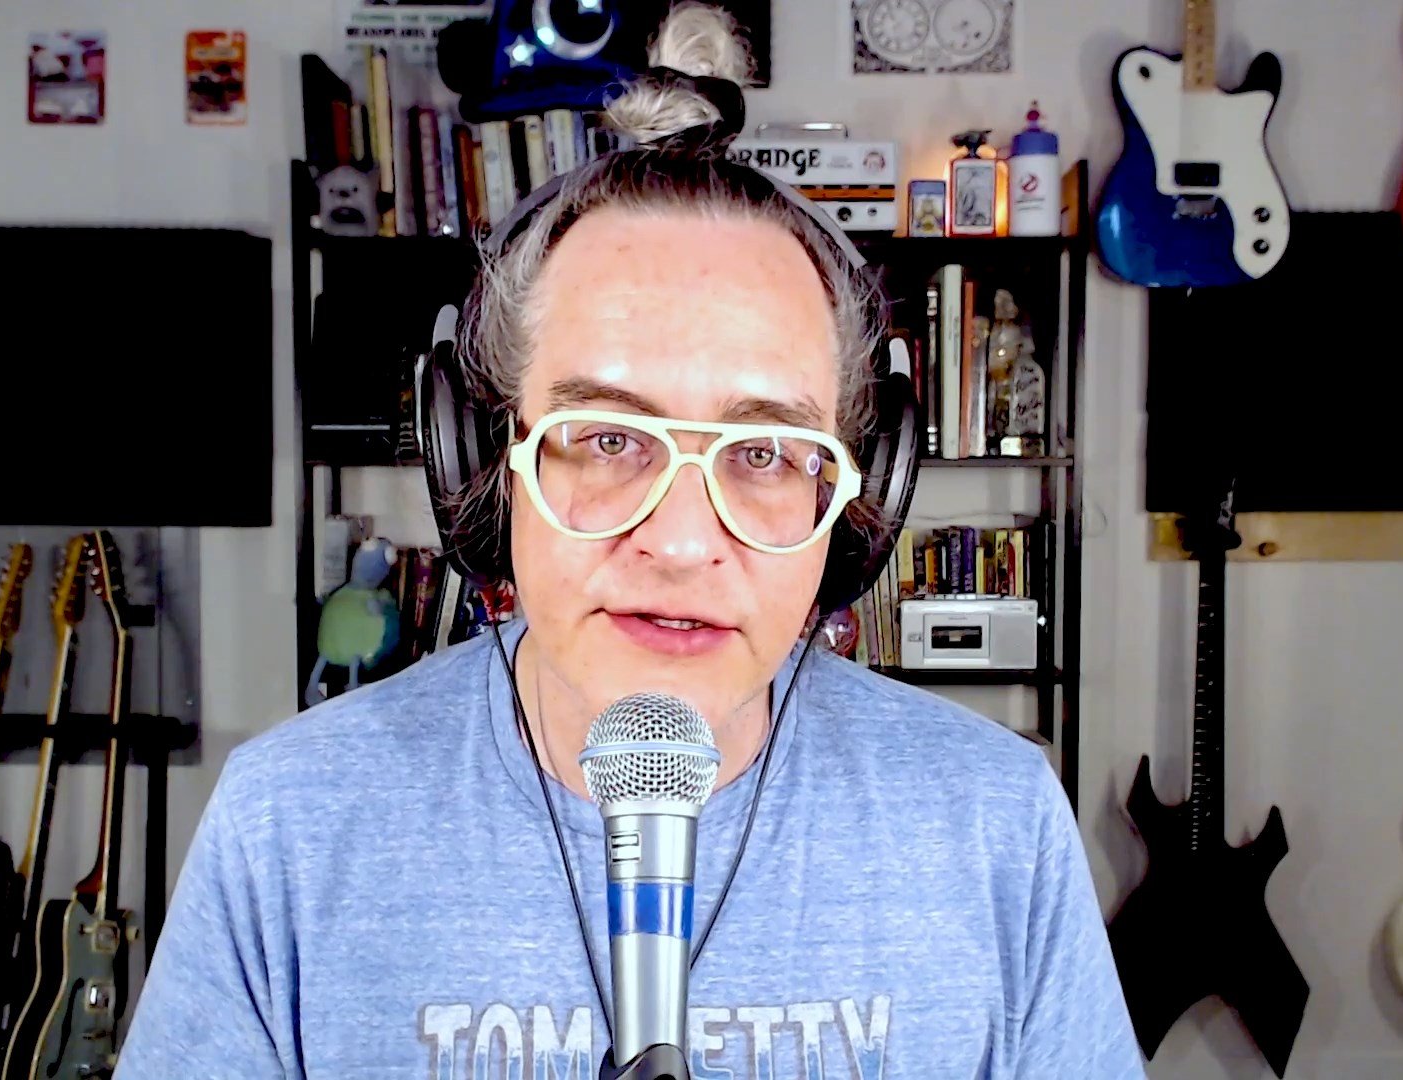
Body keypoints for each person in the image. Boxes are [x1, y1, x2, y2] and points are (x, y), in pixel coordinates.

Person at [114, 4, 1142, 1076]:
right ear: (481, 462)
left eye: (764, 453)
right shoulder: (290, 824)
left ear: (859, 498)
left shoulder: (996, 824)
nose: (683, 541)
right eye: (606, 436)